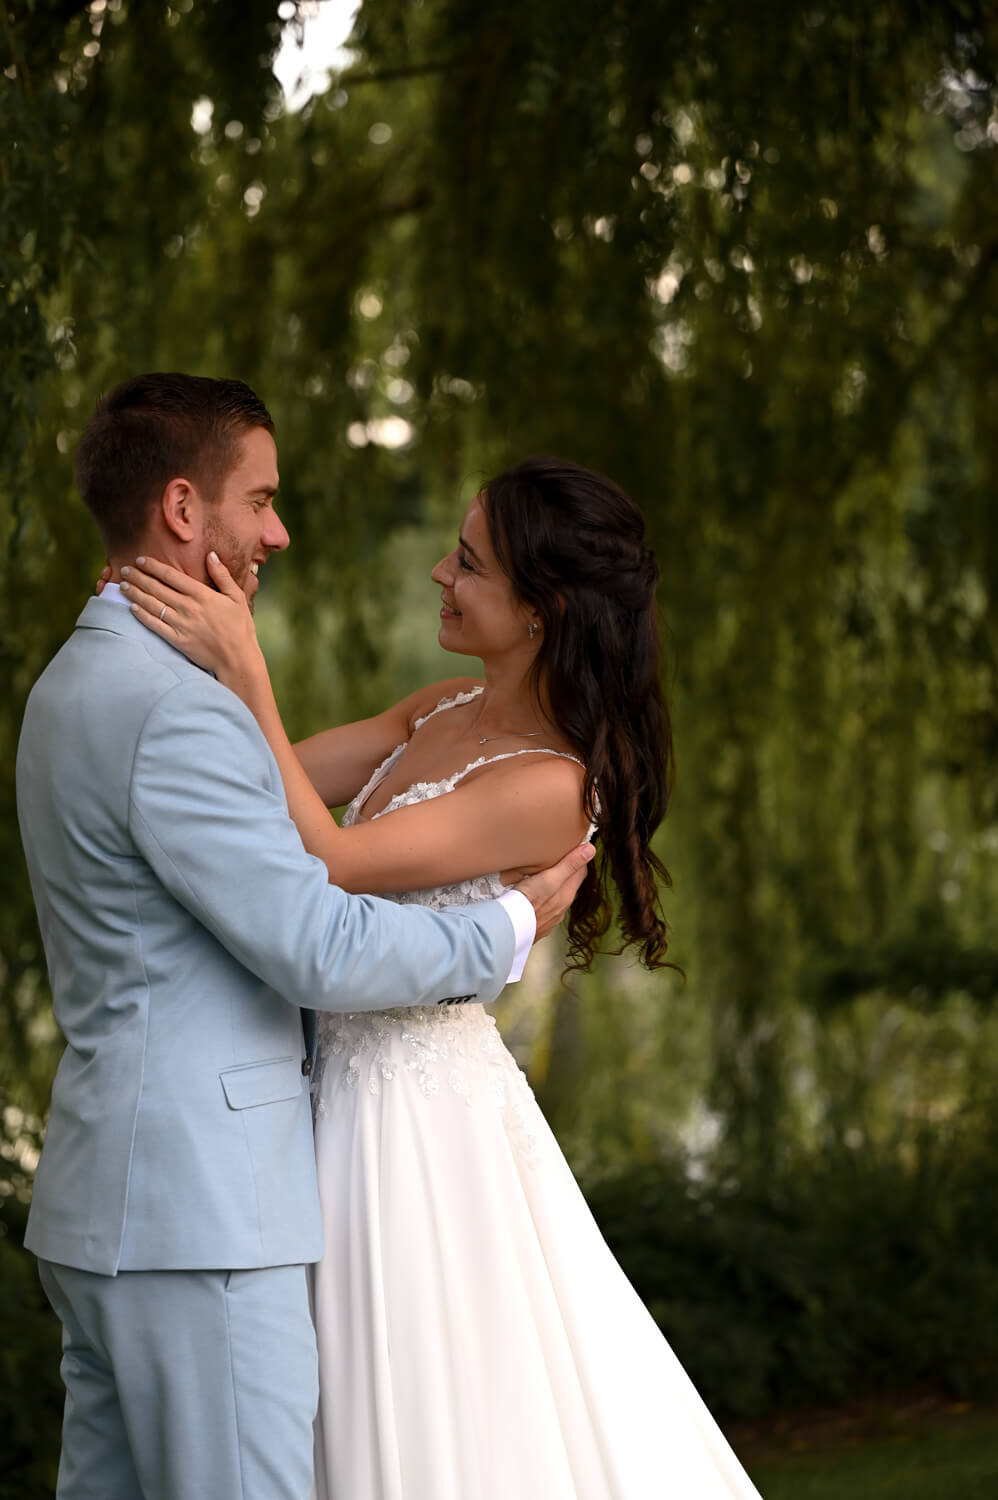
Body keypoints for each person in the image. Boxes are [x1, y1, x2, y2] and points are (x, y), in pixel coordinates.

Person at [121, 455, 763, 1499]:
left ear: (541, 612)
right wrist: (201, 628)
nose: (437, 573)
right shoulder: (435, 711)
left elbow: (326, 859)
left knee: (415, 1398)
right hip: (319, 1088)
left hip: (410, 1126)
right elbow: (259, 775)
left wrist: (248, 666)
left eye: (467, 564)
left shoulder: (548, 788)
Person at [16, 373, 593, 1500]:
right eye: (262, 500)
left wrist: (237, 671)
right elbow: (319, 943)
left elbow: (297, 808)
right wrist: (505, 928)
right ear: (185, 511)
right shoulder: (178, 707)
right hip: (200, 1222)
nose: (278, 530)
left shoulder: (80, 676)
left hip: (113, 1210)